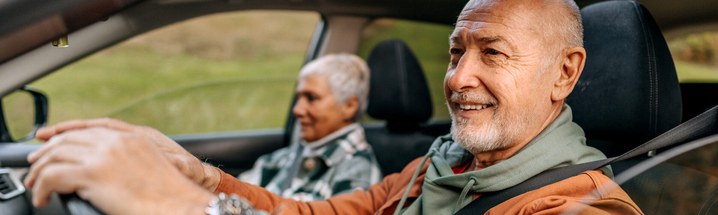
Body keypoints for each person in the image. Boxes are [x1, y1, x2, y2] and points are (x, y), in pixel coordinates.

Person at [24, 0, 644, 214]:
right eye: (456, 52)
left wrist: (181, 206)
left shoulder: (582, 206)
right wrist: (198, 174)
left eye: (493, 53)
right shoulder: (442, 166)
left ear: (565, 73)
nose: (459, 78)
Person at [237, 53, 381, 201]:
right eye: (298, 98)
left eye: (311, 98)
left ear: (350, 106)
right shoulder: (282, 158)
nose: (297, 110)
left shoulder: (358, 173)